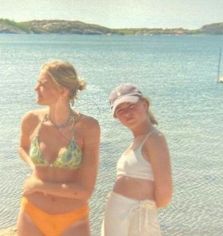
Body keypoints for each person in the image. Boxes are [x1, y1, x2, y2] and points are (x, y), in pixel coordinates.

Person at [16, 60, 100, 236]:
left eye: (42, 84)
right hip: (32, 213)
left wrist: (39, 185)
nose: (35, 88)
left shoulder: (88, 127)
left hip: (73, 219)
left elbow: (84, 191)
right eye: (37, 82)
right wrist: (33, 167)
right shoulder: (30, 120)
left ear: (63, 91)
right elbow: (22, 147)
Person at [101, 83, 172, 236]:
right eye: (120, 110)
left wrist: (141, 211)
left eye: (131, 106)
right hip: (118, 215)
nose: (127, 113)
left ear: (145, 105)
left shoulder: (155, 139)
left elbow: (165, 195)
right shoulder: (136, 141)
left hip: (136, 218)